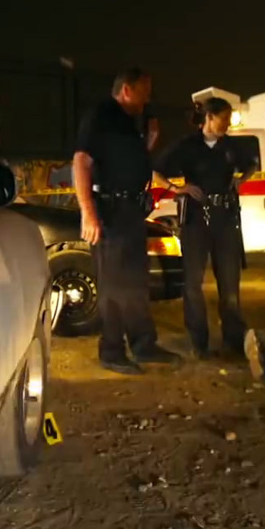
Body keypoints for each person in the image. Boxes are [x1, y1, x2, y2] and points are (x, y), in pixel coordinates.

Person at [72, 67, 183, 374]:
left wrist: (150, 141)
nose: (148, 98)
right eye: (144, 90)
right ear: (126, 89)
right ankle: (111, 350)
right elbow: (82, 161)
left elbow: (129, 164)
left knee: (136, 281)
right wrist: (88, 211)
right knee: (114, 285)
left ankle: (143, 344)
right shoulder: (101, 116)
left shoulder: (132, 122)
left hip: (132, 212)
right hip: (109, 211)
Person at [153, 97, 259, 359]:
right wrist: (178, 189)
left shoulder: (231, 145)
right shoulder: (187, 145)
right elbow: (154, 169)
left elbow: (252, 165)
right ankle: (198, 341)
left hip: (225, 218)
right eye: (223, 117)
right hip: (196, 219)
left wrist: (240, 181)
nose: (227, 123)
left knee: (230, 283)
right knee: (193, 284)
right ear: (209, 118)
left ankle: (233, 339)